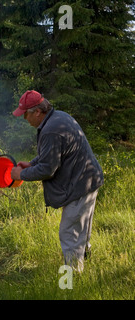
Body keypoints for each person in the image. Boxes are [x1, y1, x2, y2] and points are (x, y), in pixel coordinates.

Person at [10, 90, 104, 272]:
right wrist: (31, 164)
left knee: (69, 232)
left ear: (37, 111)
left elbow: (47, 169)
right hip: (89, 180)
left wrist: (20, 175)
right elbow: (52, 156)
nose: (25, 119)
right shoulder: (59, 117)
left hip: (80, 185)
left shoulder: (51, 130)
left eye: (26, 115)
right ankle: (85, 267)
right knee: (81, 230)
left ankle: (71, 281)